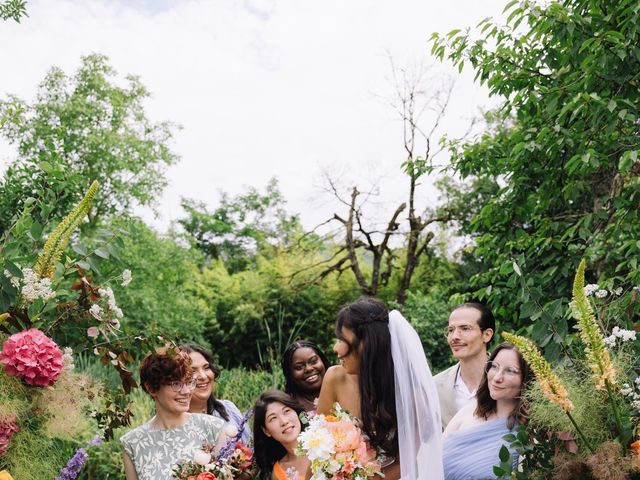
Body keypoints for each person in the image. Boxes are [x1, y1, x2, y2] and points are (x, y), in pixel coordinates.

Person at [317, 297, 443, 480]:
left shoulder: (412, 395)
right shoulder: (334, 378)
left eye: (341, 339)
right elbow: (319, 444)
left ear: (367, 343)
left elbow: (408, 461)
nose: (336, 348)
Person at [120, 347, 225, 480]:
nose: (186, 391)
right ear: (151, 388)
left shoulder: (213, 428)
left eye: (188, 382)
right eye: (176, 383)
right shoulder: (132, 443)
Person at [443, 342, 532, 480]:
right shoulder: (469, 411)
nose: (497, 378)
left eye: (510, 371)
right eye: (494, 367)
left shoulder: (530, 434)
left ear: (527, 379)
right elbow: (432, 463)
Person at [434, 302, 495, 429]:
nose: (454, 337)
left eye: (465, 328)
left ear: (486, 335)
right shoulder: (435, 386)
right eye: (451, 330)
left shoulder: (508, 381)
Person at [179, 343, 252, 444]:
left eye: (206, 367)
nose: (203, 376)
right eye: (192, 371)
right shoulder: (174, 425)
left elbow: (250, 450)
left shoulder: (229, 409)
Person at [253, 390, 309, 480]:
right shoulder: (279, 473)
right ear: (266, 431)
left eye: (286, 411)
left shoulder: (326, 445)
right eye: (273, 418)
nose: (284, 421)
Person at [281, 340, 331, 412]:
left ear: (323, 361)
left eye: (313, 361)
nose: (309, 369)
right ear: (290, 374)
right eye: (299, 367)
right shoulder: (288, 408)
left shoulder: (343, 387)